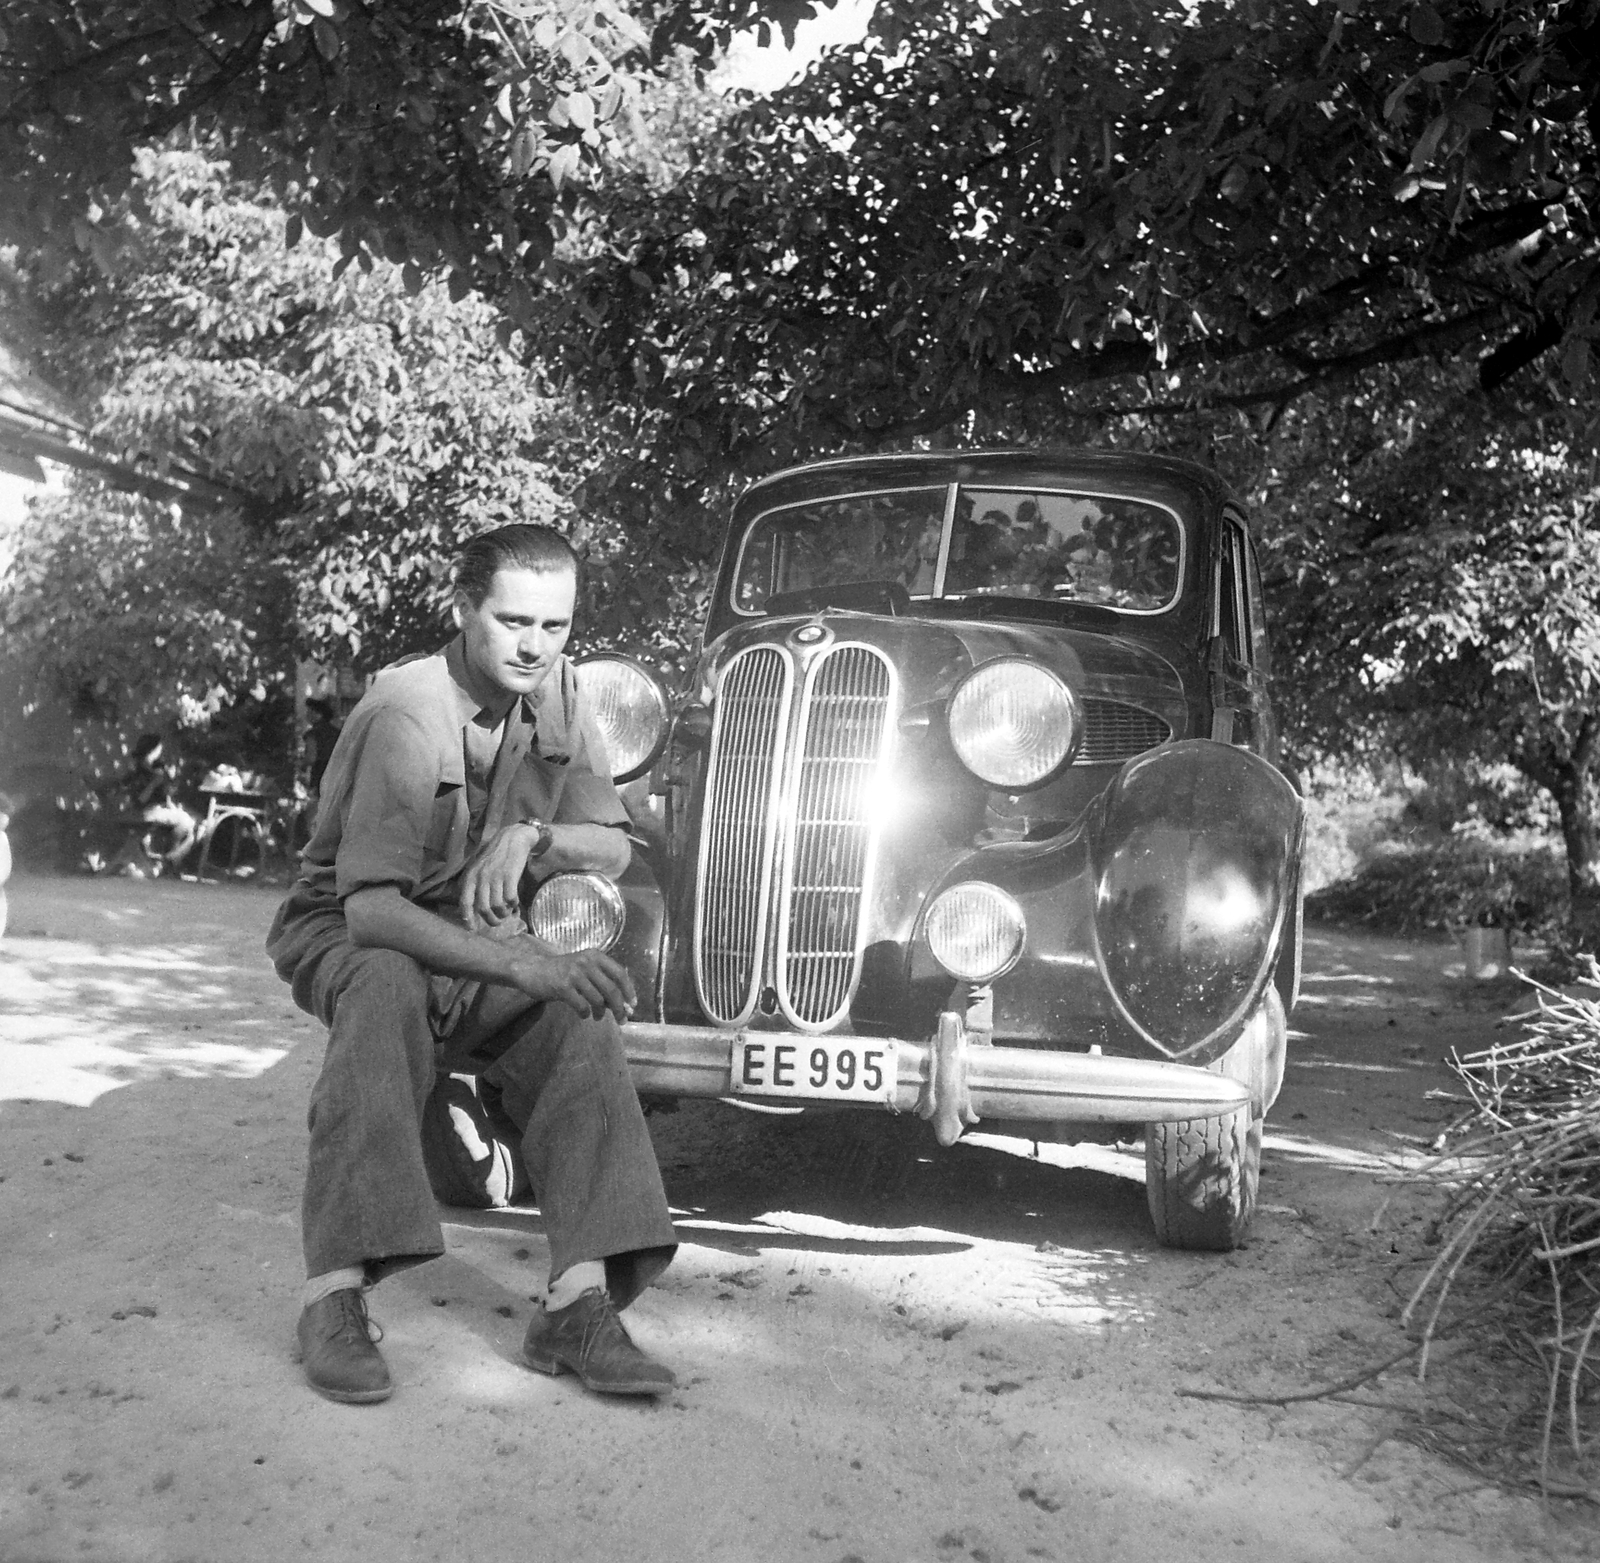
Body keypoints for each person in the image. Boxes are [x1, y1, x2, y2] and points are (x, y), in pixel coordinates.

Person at [265, 524, 678, 1405]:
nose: (536, 645)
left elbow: (611, 849)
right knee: (386, 983)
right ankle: (331, 1296)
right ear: (464, 610)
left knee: (580, 1003)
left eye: (557, 626)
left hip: (475, 932)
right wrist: (521, 964)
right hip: (351, 929)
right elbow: (372, 910)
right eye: (513, 620)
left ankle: (578, 1301)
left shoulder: (561, 691)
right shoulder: (406, 710)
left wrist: (536, 835)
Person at [109, 734, 197, 876]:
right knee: (190, 823)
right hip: (146, 812)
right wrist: (154, 783)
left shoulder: (156, 768)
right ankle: (169, 862)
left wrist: (170, 799)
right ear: (153, 750)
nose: (161, 751)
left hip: (157, 810)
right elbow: (140, 801)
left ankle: (169, 861)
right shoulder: (140, 772)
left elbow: (165, 796)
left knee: (187, 826)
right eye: (159, 748)